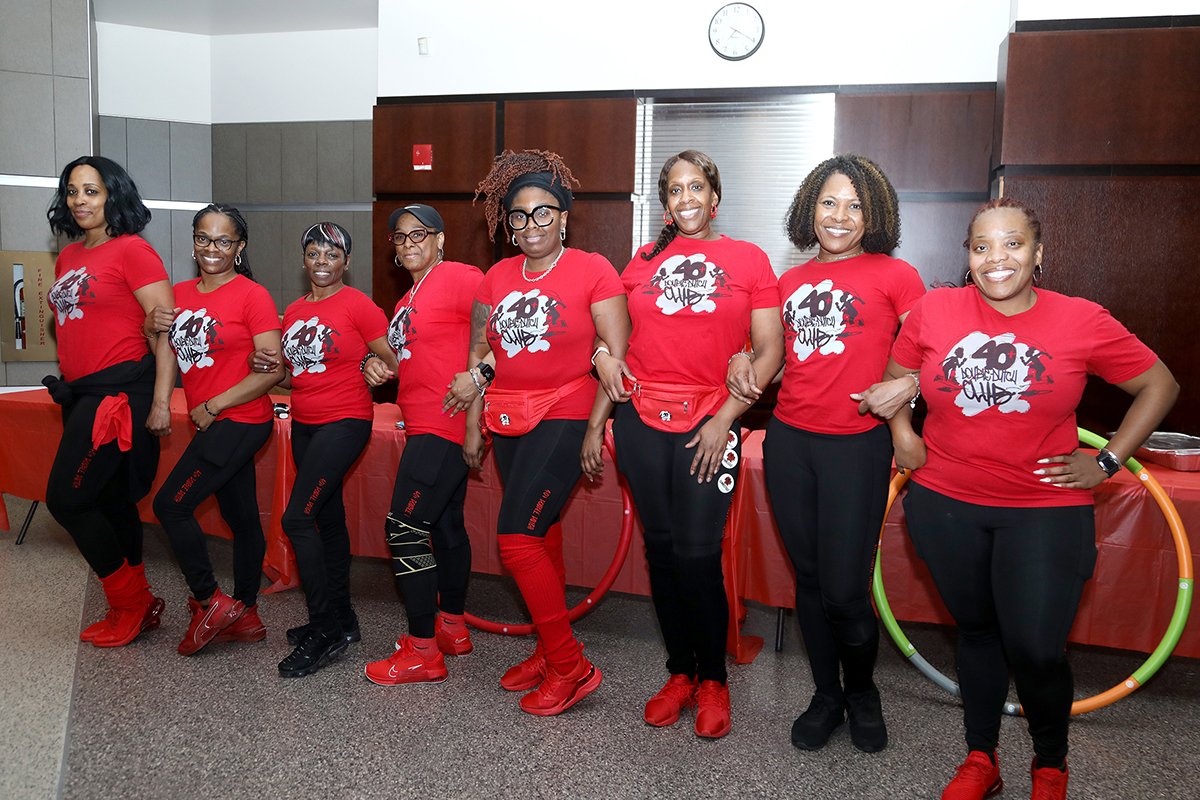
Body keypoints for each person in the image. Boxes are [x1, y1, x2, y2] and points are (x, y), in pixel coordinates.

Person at [864, 197, 1178, 799]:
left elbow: (1159, 384)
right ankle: (982, 757)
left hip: (1044, 508)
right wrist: (903, 434)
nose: (996, 259)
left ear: (1039, 254)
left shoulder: (1081, 319)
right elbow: (893, 380)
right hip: (946, 502)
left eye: (1012, 244)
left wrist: (1108, 460)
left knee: (1036, 647)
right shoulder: (935, 309)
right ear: (969, 257)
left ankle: (1050, 762)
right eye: (981, 247)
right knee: (976, 634)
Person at [600, 150, 783, 739]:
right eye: (675, 190)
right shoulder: (643, 261)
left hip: (710, 419)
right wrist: (599, 356)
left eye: (696, 187)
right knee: (661, 550)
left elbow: (770, 354)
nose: (686, 199)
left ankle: (713, 681)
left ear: (715, 195)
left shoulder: (749, 259)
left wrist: (725, 417)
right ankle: (679, 673)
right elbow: (609, 337)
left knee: (699, 555)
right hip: (642, 421)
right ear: (666, 202)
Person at [756, 154, 925, 753]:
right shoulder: (789, 281)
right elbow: (771, 359)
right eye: (829, 202)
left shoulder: (897, 276)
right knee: (807, 579)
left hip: (857, 445)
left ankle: (861, 692)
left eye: (856, 205)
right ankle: (825, 694)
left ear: (874, 213)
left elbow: (929, 353)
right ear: (809, 207)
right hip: (790, 442)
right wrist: (738, 366)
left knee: (846, 590)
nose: (841, 216)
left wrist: (907, 394)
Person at [465, 149, 630, 715]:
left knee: (516, 537)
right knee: (545, 534)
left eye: (543, 213)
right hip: (509, 417)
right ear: (507, 225)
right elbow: (480, 357)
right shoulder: (494, 278)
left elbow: (613, 354)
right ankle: (546, 642)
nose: (530, 225)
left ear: (563, 217)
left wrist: (594, 429)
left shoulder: (594, 269)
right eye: (519, 216)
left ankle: (570, 664)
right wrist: (473, 424)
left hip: (566, 410)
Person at [249, 223, 393, 677]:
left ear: (346, 262)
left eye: (332, 254)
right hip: (305, 424)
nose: (322, 261)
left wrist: (375, 365)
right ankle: (343, 617)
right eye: (314, 253)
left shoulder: (359, 305)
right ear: (304, 260)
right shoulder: (291, 310)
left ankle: (323, 627)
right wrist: (266, 366)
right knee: (328, 520)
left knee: (297, 517)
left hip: (346, 421)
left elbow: (391, 361)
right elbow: (295, 376)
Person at [43, 155, 175, 647]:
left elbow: (167, 330)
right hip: (83, 393)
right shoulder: (69, 256)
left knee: (67, 499)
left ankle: (130, 603)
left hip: (121, 393)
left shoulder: (133, 251)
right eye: (72, 191)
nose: (79, 200)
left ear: (113, 194)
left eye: (91, 191)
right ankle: (140, 601)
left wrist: (161, 401)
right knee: (111, 499)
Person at [148, 204, 283, 656]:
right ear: (193, 241)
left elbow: (272, 369)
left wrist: (213, 404)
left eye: (224, 241)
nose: (212, 248)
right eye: (203, 238)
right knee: (242, 516)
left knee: (171, 505)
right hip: (213, 421)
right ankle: (245, 612)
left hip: (240, 420)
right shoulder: (178, 292)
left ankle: (210, 601)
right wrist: (162, 403)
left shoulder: (252, 296)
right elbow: (166, 348)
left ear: (239, 248)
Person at [359, 204, 484, 686]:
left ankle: (422, 652)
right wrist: (376, 369)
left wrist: (478, 386)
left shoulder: (457, 276)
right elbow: (410, 359)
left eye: (419, 234)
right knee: (447, 524)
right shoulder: (407, 299)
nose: (408, 242)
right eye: (400, 236)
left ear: (440, 240)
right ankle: (451, 627)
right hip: (423, 421)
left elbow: (500, 330)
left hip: (444, 423)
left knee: (404, 529)